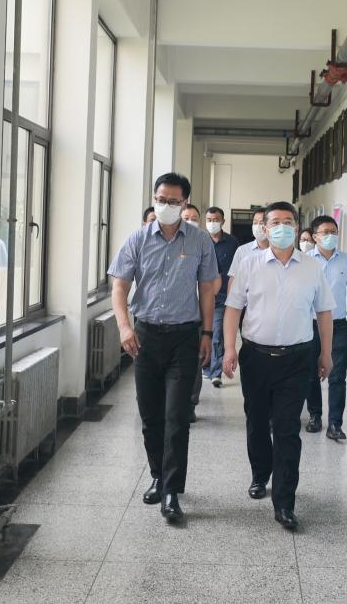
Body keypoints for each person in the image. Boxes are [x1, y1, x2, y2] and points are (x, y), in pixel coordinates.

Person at [108, 173, 220, 523]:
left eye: (173, 201)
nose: (166, 205)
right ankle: (157, 474)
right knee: (150, 415)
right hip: (145, 337)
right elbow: (119, 287)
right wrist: (124, 327)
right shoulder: (138, 239)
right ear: (154, 199)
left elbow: (207, 290)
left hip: (184, 338)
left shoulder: (200, 240)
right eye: (161, 199)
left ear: (185, 203)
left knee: (176, 416)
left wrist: (207, 334)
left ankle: (172, 490)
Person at [223, 201, 333, 531]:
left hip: (297, 359)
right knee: (257, 420)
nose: (282, 227)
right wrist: (229, 349)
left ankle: (285, 502)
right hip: (256, 357)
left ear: (297, 228)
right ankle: (260, 474)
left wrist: (326, 354)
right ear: (265, 228)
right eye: (275, 222)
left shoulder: (312, 268)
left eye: (288, 222)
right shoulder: (249, 264)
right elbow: (233, 308)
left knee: (287, 428)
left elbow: (324, 312)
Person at [304, 215, 347, 440]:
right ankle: (315, 416)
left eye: (334, 232)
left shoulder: (346, 260)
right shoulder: (305, 260)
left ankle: (335, 424)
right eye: (325, 232)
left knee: (337, 376)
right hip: (309, 324)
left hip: (337, 325)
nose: (331, 236)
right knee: (311, 374)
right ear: (315, 236)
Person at [201, 207, 239, 389]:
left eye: (216, 219)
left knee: (217, 334)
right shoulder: (200, 240)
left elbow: (236, 270)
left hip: (221, 298)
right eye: (209, 219)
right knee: (203, 333)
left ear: (223, 221)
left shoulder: (232, 243)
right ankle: (206, 366)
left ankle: (215, 373)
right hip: (200, 297)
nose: (212, 223)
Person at [228, 207, 269, 289]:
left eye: (262, 223)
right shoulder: (242, 251)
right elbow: (233, 279)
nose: (258, 226)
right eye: (255, 223)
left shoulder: (278, 251)